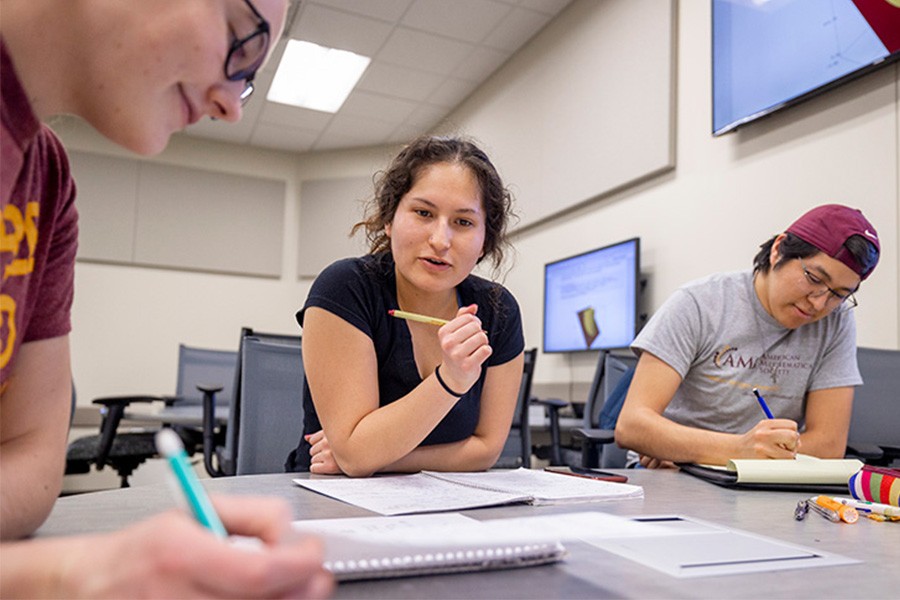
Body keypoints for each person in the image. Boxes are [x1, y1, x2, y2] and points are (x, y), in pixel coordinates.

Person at [1, 1, 332, 597]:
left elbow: (30, 460)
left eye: (250, 79)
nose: (231, 106)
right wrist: (67, 577)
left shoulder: (44, 183)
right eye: (241, 39)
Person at [285, 136, 524, 477]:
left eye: (463, 222)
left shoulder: (498, 310)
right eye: (423, 213)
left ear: (485, 240)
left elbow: (486, 449)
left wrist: (385, 459)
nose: (440, 240)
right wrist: (451, 380)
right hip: (331, 501)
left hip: (440, 506)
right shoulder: (346, 288)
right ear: (389, 218)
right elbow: (355, 452)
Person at [615, 204, 880, 468]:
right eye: (813, 279)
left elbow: (828, 445)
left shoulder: (837, 319)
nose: (819, 304)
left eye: (838, 294)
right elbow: (632, 426)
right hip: (675, 470)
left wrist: (722, 455)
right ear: (779, 250)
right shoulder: (699, 302)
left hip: (762, 476)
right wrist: (738, 450)